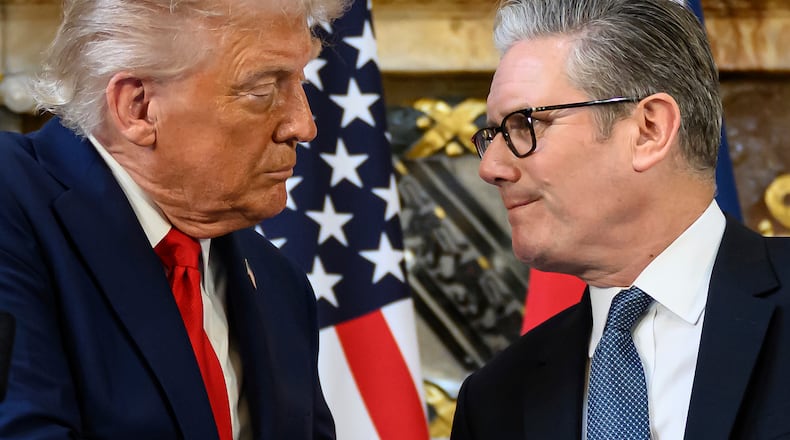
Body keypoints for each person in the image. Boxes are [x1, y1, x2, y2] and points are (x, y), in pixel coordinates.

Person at [0, 0, 349, 438]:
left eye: (300, 82)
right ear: (139, 107)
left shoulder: (281, 284)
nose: (303, 125)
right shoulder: (12, 202)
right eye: (263, 90)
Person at [450, 0, 790, 438]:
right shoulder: (495, 401)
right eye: (492, 135)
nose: (490, 167)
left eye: (525, 125)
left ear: (649, 130)